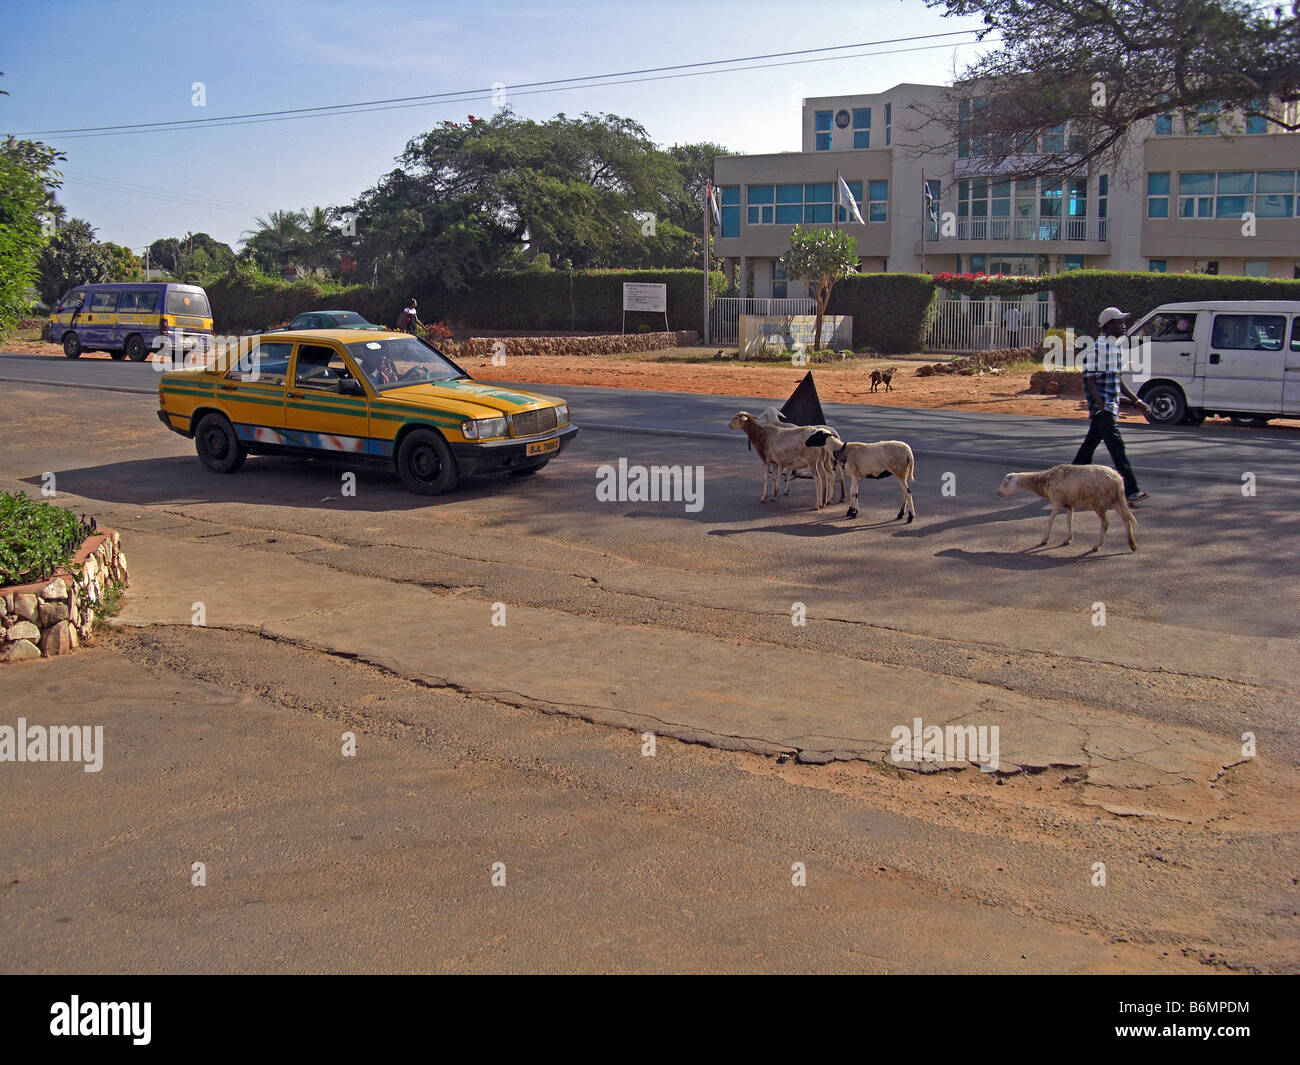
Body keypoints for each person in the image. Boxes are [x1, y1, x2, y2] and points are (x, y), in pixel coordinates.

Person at [1073, 307, 1151, 505]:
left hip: (1110, 407)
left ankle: (1069, 479)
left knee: (1088, 447)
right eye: (1119, 322)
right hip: (1104, 408)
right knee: (1118, 449)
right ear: (1108, 325)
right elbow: (1089, 381)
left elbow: (1118, 381)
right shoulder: (1096, 348)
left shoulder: (1116, 349)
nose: (1124, 326)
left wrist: (1137, 401)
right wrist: (1101, 407)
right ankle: (1131, 491)